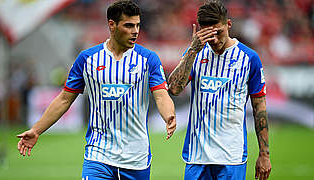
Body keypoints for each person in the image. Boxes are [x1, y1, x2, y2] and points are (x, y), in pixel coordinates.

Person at [17, 1, 176, 180]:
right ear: (112, 25)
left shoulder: (148, 59)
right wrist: (36, 130)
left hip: (136, 158)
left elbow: (161, 95)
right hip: (98, 156)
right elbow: (64, 99)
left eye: (138, 25)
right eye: (129, 25)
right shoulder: (87, 59)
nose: (136, 31)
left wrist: (168, 115)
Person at [168, 1, 271, 180]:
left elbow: (259, 108)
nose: (214, 40)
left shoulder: (249, 59)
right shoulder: (196, 54)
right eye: (208, 34)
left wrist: (264, 155)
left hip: (231, 157)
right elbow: (174, 89)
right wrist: (192, 50)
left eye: (218, 32)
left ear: (228, 24)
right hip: (197, 156)